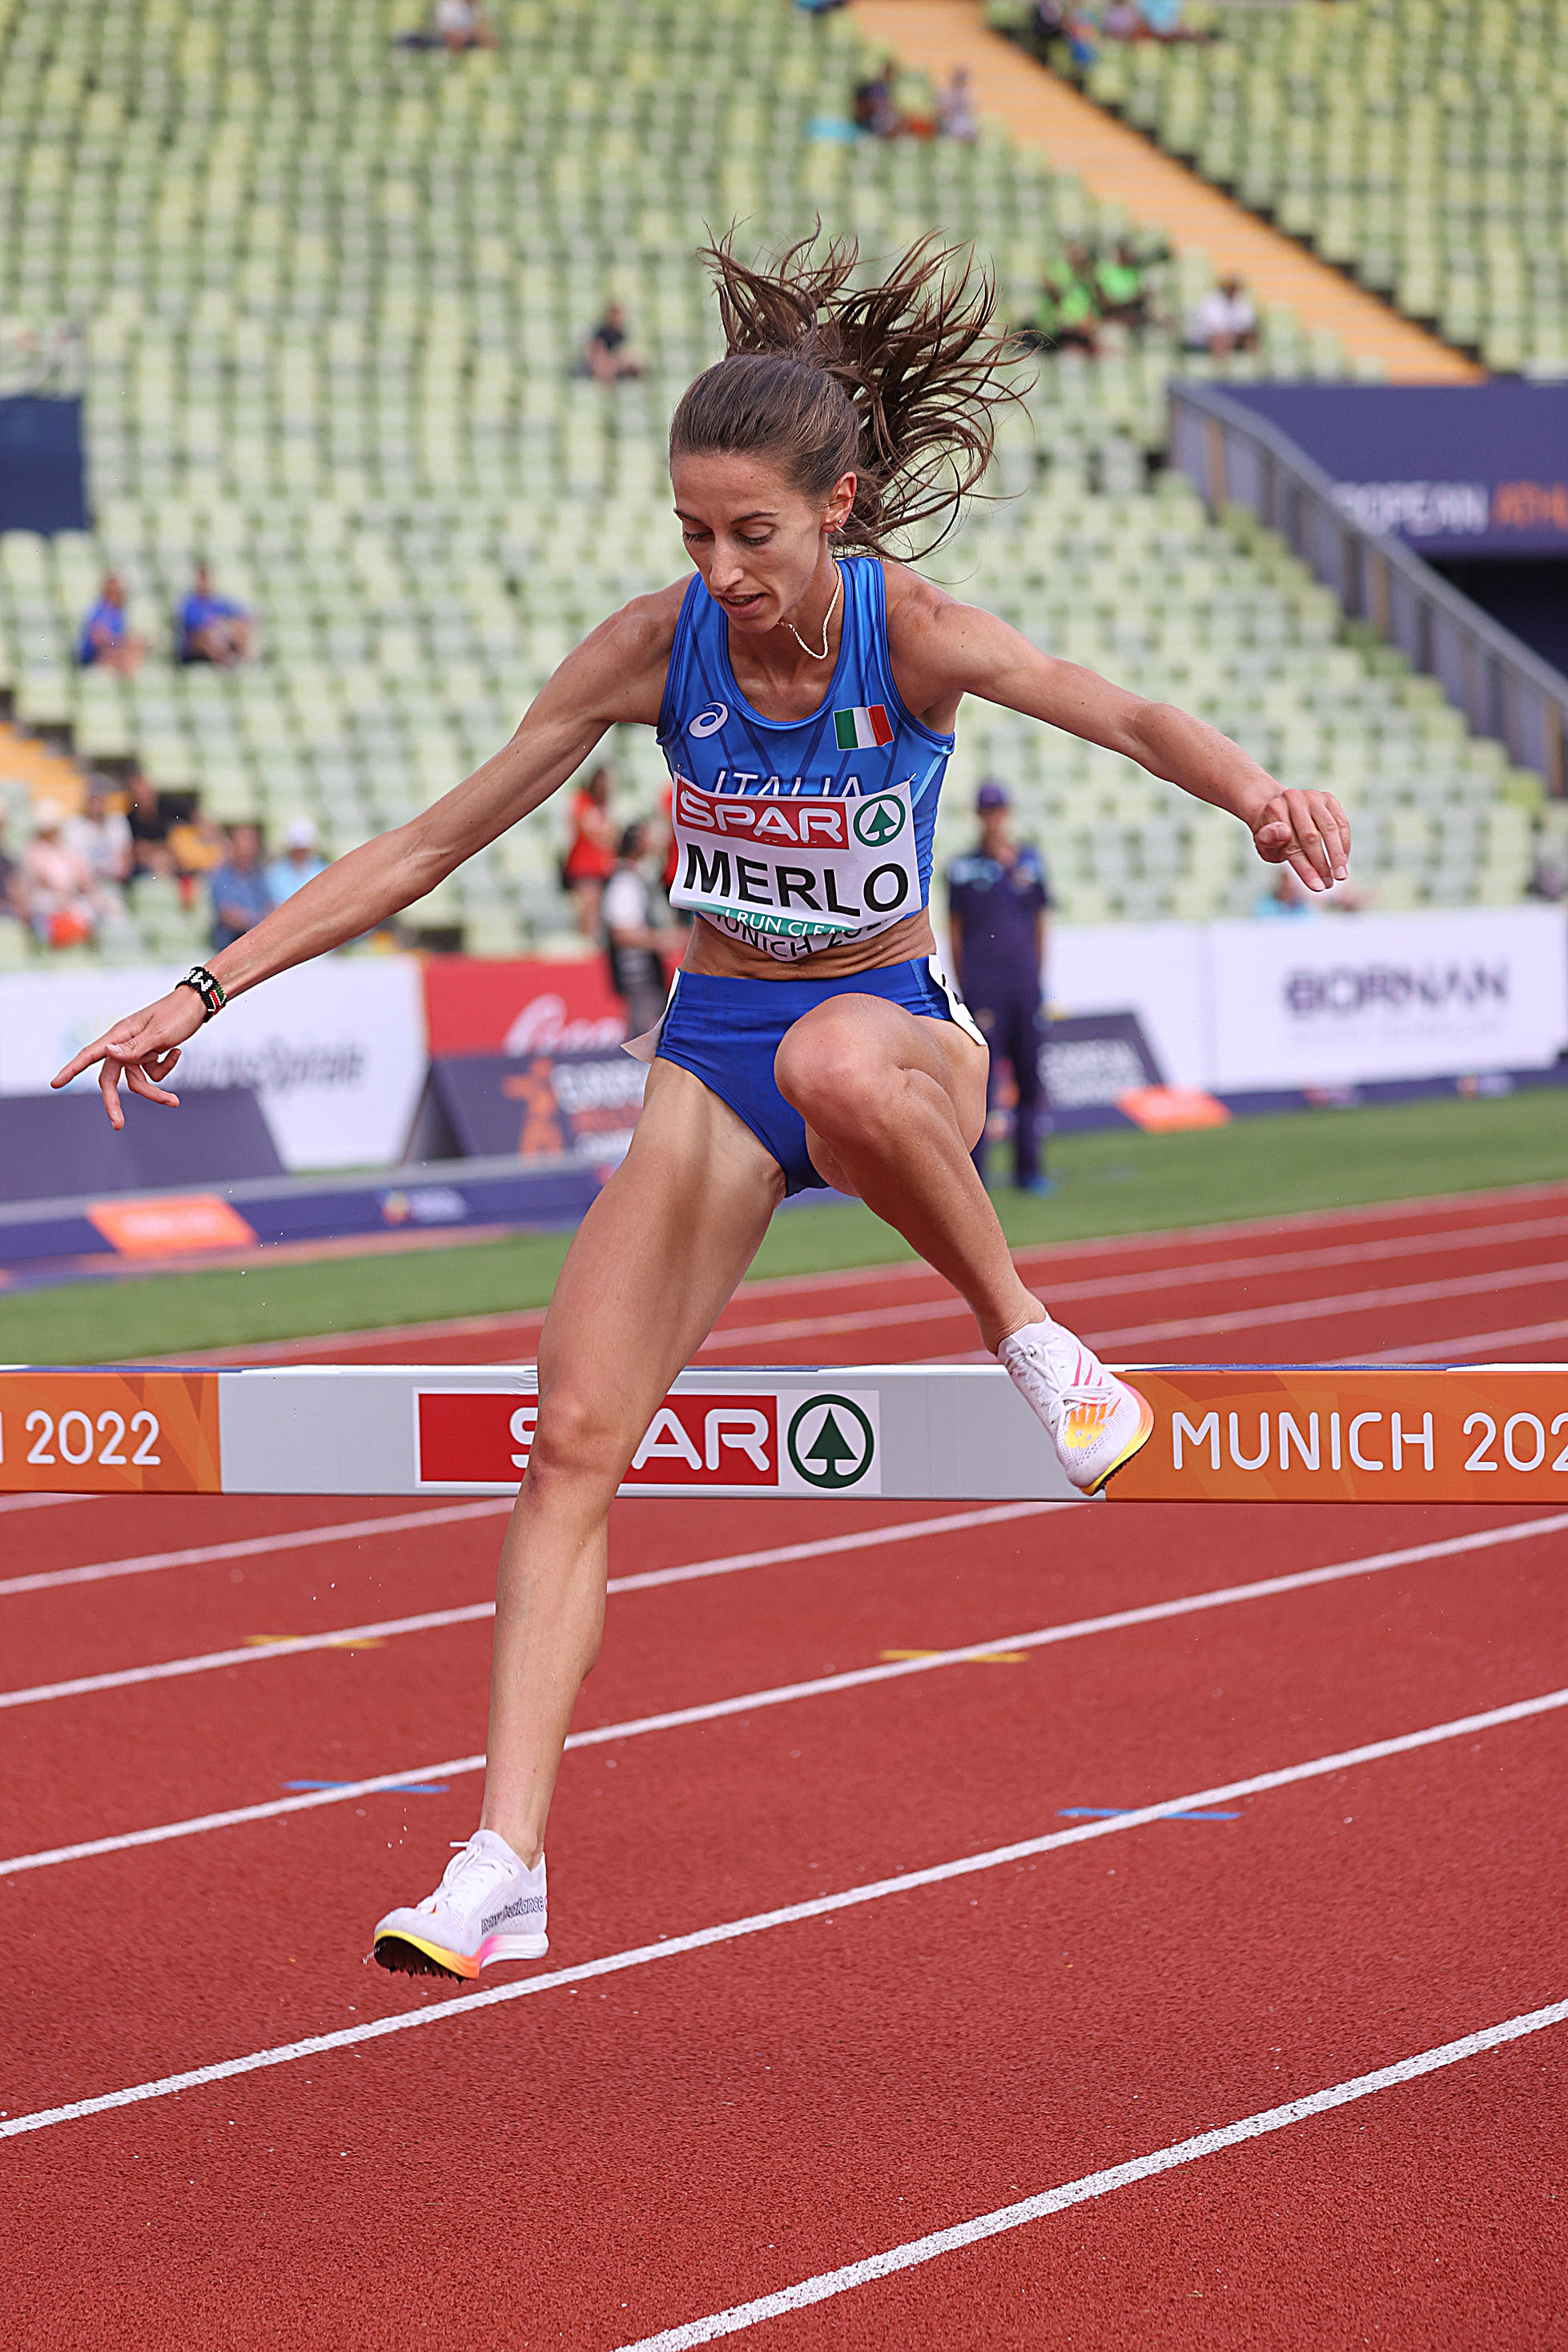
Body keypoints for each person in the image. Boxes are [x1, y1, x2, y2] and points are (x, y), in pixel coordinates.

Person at [54, 228, 1349, 1980]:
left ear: (837, 508)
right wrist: (203, 988)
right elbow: (432, 839)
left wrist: (1257, 794)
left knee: (835, 1064)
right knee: (570, 1433)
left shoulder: (915, 632)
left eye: (751, 533)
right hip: (716, 1048)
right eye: (691, 533)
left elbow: (1116, 710)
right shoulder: (654, 648)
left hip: (894, 1033)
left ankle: (1036, 1340)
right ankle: (503, 1858)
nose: (719, 569)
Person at [947, 781, 1053, 1196]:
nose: (993, 818)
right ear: (979, 815)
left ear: (1007, 812)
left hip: (1023, 984)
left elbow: (1040, 923)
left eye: (998, 810)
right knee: (982, 1085)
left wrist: (1037, 977)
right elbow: (955, 931)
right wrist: (967, 986)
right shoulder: (962, 868)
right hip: (985, 987)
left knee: (1029, 1078)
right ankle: (976, 1178)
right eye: (987, 811)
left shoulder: (1030, 861)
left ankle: (1030, 1171)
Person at [603, 819, 681, 1042]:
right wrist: (664, 939)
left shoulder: (636, 877)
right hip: (637, 972)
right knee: (644, 1036)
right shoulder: (625, 882)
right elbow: (622, 934)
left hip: (646, 971)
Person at [25, 800, 102, 947]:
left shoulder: (68, 848)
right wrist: (63, 895)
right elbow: (43, 878)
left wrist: (82, 889)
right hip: (48, 899)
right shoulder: (35, 850)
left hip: (72, 897)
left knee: (90, 910)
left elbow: (84, 877)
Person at [561, 762, 617, 935]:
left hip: (602, 868)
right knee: (588, 912)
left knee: (596, 914)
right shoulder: (582, 801)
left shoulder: (603, 806)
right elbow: (595, 832)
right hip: (584, 868)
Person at [206, 822, 271, 951]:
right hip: (231, 945)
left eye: (252, 841)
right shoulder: (221, 876)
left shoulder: (258, 875)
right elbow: (226, 913)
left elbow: (268, 904)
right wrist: (257, 924)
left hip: (256, 942)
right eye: (244, 841)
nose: (249, 846)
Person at [177, 564, 253, 666]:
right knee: (210, 635)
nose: (204, 583)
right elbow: (196, 626)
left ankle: (246, 662)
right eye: (202, 579)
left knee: (241, 626)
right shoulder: (189, 603)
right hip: (196, 648)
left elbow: (245, 612)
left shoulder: (219, 601)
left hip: (220, 637)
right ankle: (224, 661)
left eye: (206, 579)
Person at [69, 779, 134, 891]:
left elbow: (126, 853)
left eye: (99, 800)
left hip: (115, 882)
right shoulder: (74, 825)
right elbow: (73, 859)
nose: (96, 805)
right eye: (93, 800)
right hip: (87, 885)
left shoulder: (117, 821)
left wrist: (121, 872)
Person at [77, 573, 147, 674]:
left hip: (113, 653)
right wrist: (120, 643)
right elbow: (99, 639)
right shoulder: (98, 610)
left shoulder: (120, 613)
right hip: (94, 658)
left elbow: (124, 635)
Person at [266, 815, 328, 907]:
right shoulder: (274, 873)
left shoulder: (323, 870)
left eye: (303, 850)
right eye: (297, 850)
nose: (300, 854)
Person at [1190, 275, 1258, 357]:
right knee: (1220, 339)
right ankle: (1221, 363)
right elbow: (1213, 326)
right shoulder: (1212, 299)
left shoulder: (1242, 300)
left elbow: (1247, 323)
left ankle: (1250, 361)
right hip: (1206, 336)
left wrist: (1237, 334)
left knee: (1251, 337)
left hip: (1232, 335)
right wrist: (1230, 334)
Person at [581, 303, 641, 385]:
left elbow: (624, 352)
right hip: (601, 363)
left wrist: (616, 361)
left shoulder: (621, 334)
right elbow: (594, 352)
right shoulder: (600, 332)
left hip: (615, 364)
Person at [935, 66, 978, 141]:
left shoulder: (967, 94)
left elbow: (972, 110)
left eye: (962, 78)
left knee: (967, 125)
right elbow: (940, 110)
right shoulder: (945, 92)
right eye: (959, 78)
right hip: (948, 123)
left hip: (962, 122)